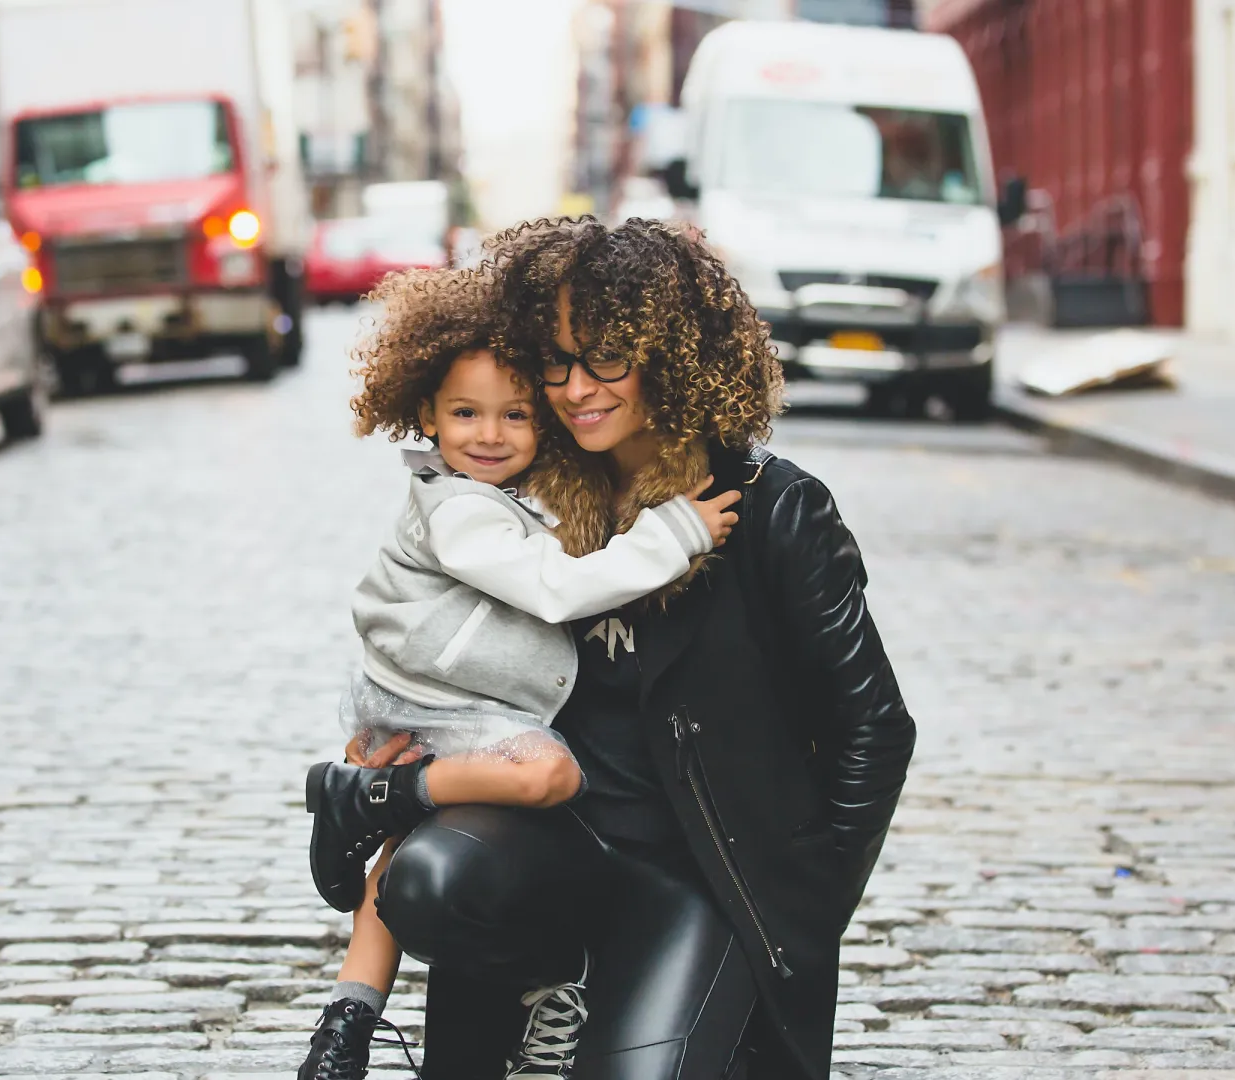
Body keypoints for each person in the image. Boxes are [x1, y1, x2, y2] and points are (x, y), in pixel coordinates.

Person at [370, 218, 918, 1080]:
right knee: (430, 880)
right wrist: (395, 744)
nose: (575, 388)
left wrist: (797, 910)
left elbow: (873, 731)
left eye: (605, 358)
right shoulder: (526, 497)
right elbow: (436, 637)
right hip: (555, 847)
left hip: (701, 878)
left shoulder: (774, 512)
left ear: (669, 353)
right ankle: (550, 987)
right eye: (554, 359)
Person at [298, 264, 744, 1080]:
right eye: (466, 414)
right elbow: (554, 586)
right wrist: (675, 531)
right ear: (424, 413)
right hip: (451, 701)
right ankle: (372, 801)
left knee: (402, 851)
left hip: (438, 695)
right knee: (548, 774)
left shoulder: (501, 493)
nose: (491, 434)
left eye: (515, 415)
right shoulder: (460, 507)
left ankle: (347, 1018)